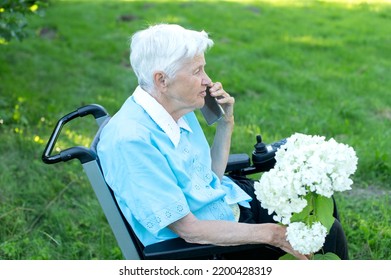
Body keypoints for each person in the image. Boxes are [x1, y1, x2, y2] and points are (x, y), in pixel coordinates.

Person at [97, 24, 348, 260]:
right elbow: (189, 230)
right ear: (162, 80)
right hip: (203, 248)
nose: (208, 81)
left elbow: (210, 177)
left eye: (203, 68)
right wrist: (275, 234)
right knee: (328, 232)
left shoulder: (177, 106)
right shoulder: (131, 141)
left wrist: (226, 122)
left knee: (314, 196)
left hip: (228, 202)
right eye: (197, 72)